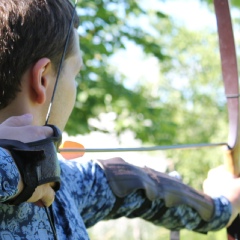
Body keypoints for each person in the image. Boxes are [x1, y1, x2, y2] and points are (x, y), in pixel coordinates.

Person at [0, 0, 240, 239]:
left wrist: (221, 206)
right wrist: (13, 169)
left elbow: (135, 185)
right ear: (43, 79)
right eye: (75, 74)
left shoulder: (60, 186)